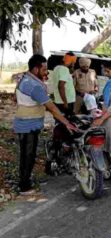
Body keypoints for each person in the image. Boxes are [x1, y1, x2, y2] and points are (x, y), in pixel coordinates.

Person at [13, 54, 77, 194]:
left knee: (28, 154)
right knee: (28, 155)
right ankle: (24, 186)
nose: (46, 72)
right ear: (36, 69)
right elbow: (52, 107)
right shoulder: (33, 85)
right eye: (44, 69)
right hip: (27, 125)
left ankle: (27, 180)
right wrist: (66, 122)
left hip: (27, 124)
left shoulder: (26, 78)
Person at [52, 52, 77, 116]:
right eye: (73, 62)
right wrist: (65, 103)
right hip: (66, 101)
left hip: (59, 100)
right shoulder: (64, 69)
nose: (74, 64)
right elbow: (60, 86)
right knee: (68, 122)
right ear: (71, 61)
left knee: (60, 121)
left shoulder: (57, 68)